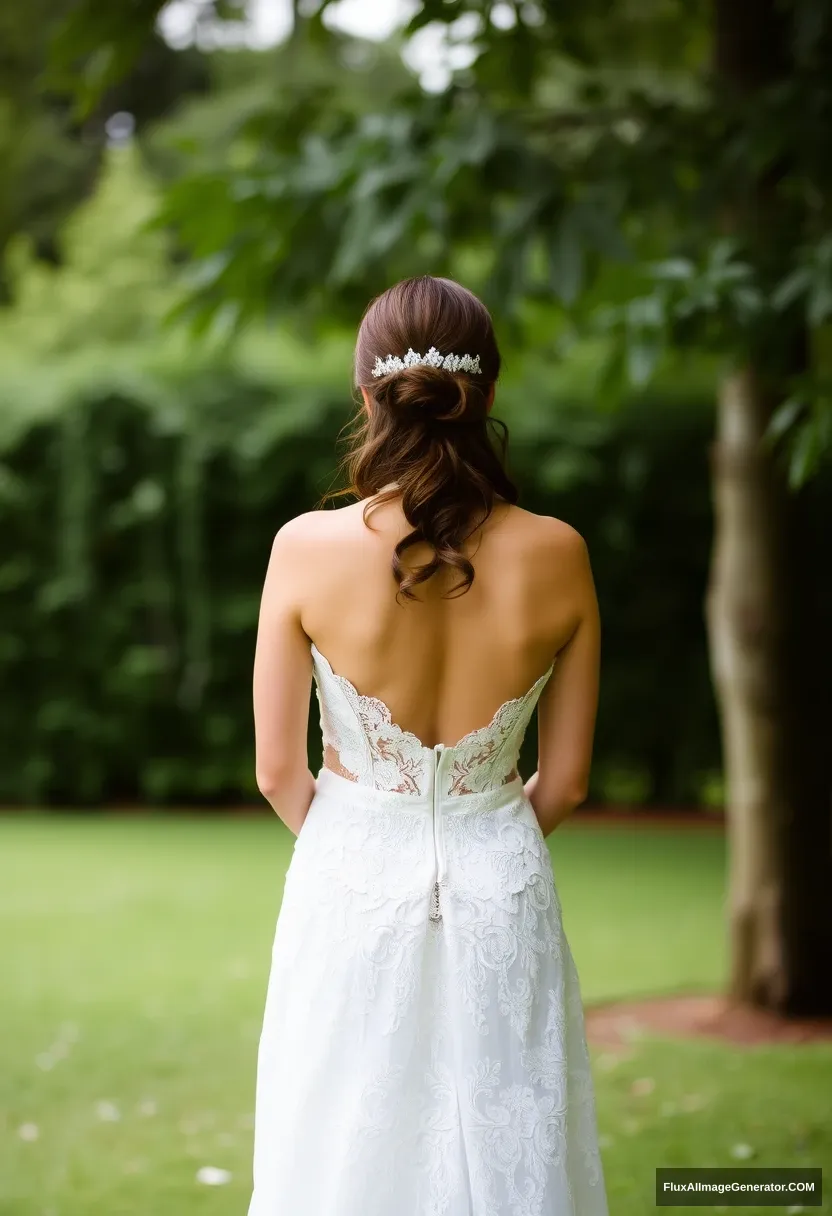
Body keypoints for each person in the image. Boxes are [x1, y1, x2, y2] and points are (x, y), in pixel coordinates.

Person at [248, 275, 608, 1215]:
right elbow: (564, 781)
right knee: (508, 1125)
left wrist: (360, 844)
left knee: (336, 1136)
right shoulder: (560, 552)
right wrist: (487, 836)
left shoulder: (303, 547)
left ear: (368, 392)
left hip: (348, 880)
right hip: (506, 879)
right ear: (488, 394)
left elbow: (278, 770)